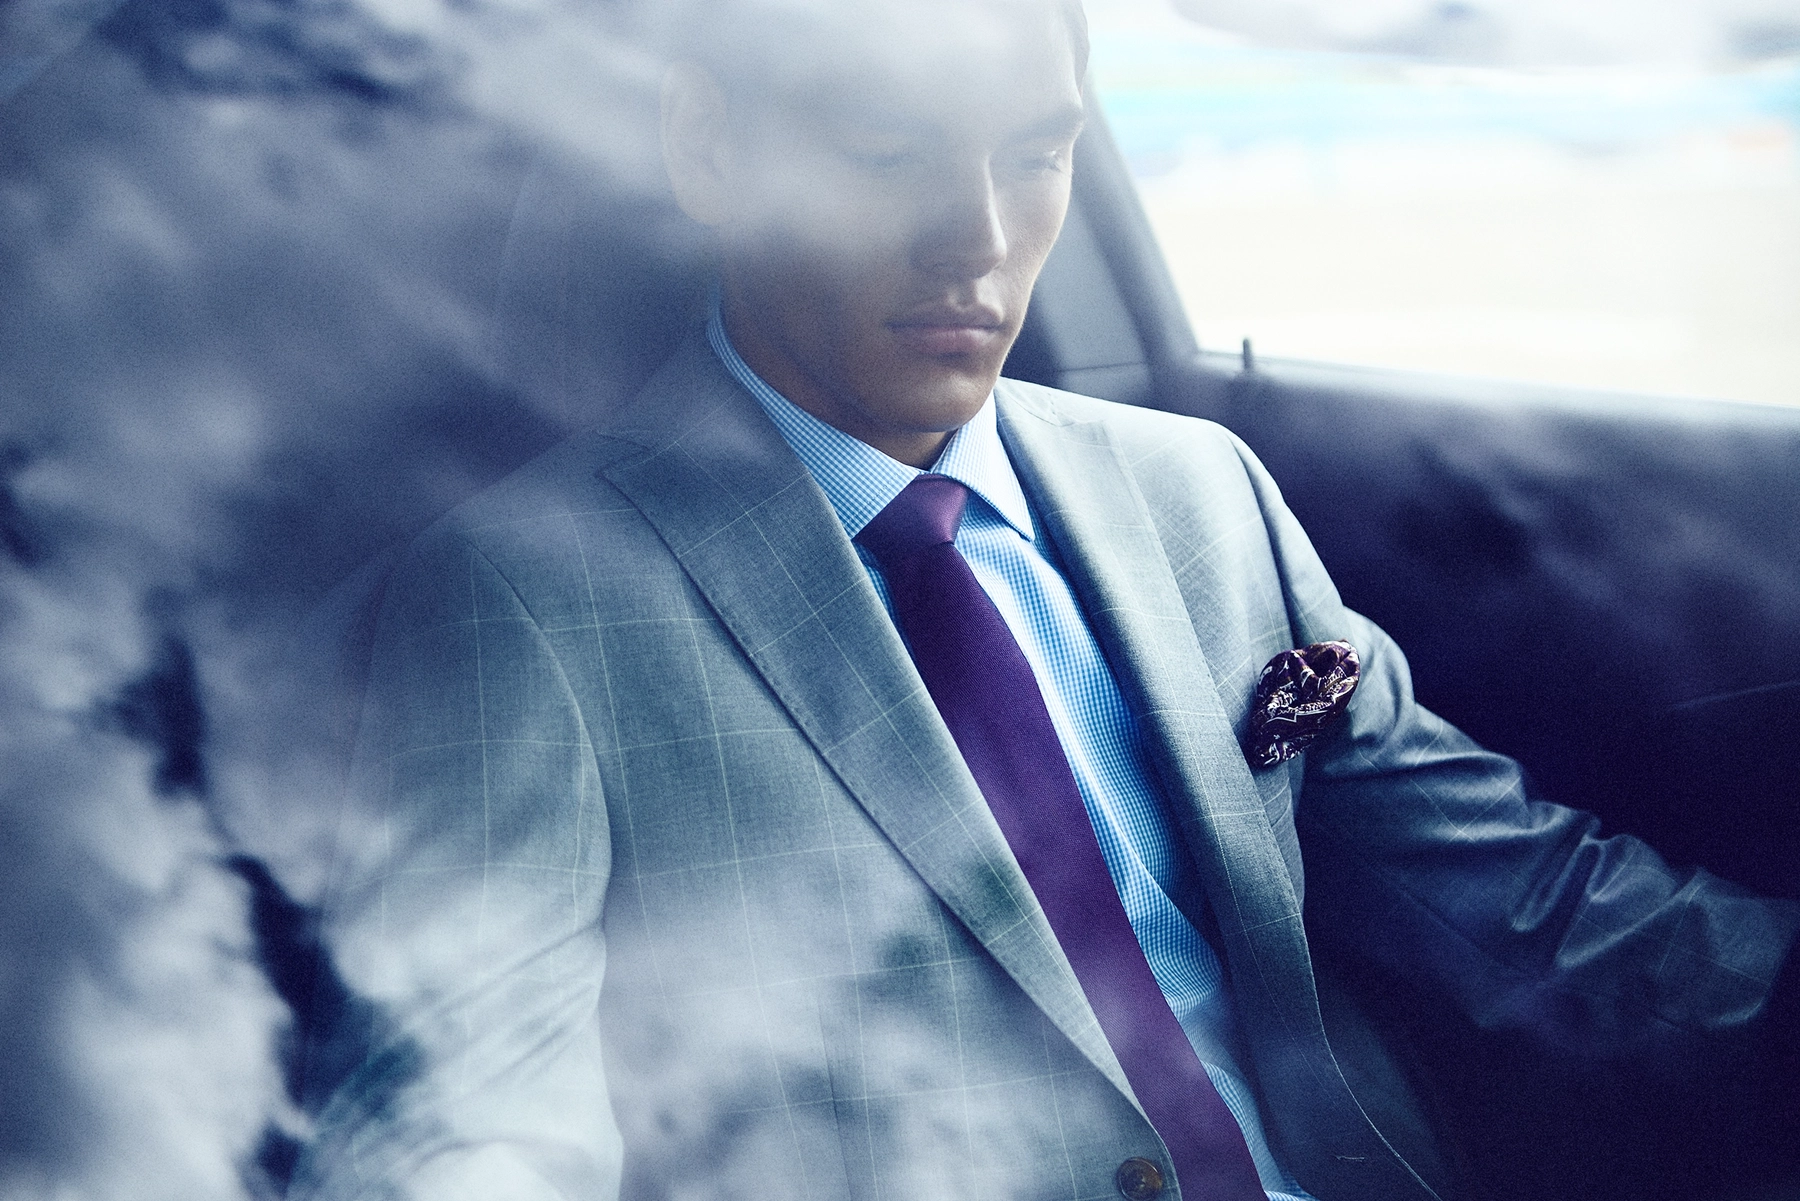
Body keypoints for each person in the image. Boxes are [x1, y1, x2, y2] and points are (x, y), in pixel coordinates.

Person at [291, 1, 1799, 1198]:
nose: (981, 234)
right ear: (711, 149)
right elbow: (464, 1128)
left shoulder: (1206, 498)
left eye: (1034, 154)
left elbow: (1499, 886)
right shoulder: (512, 609)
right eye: (887, 152)